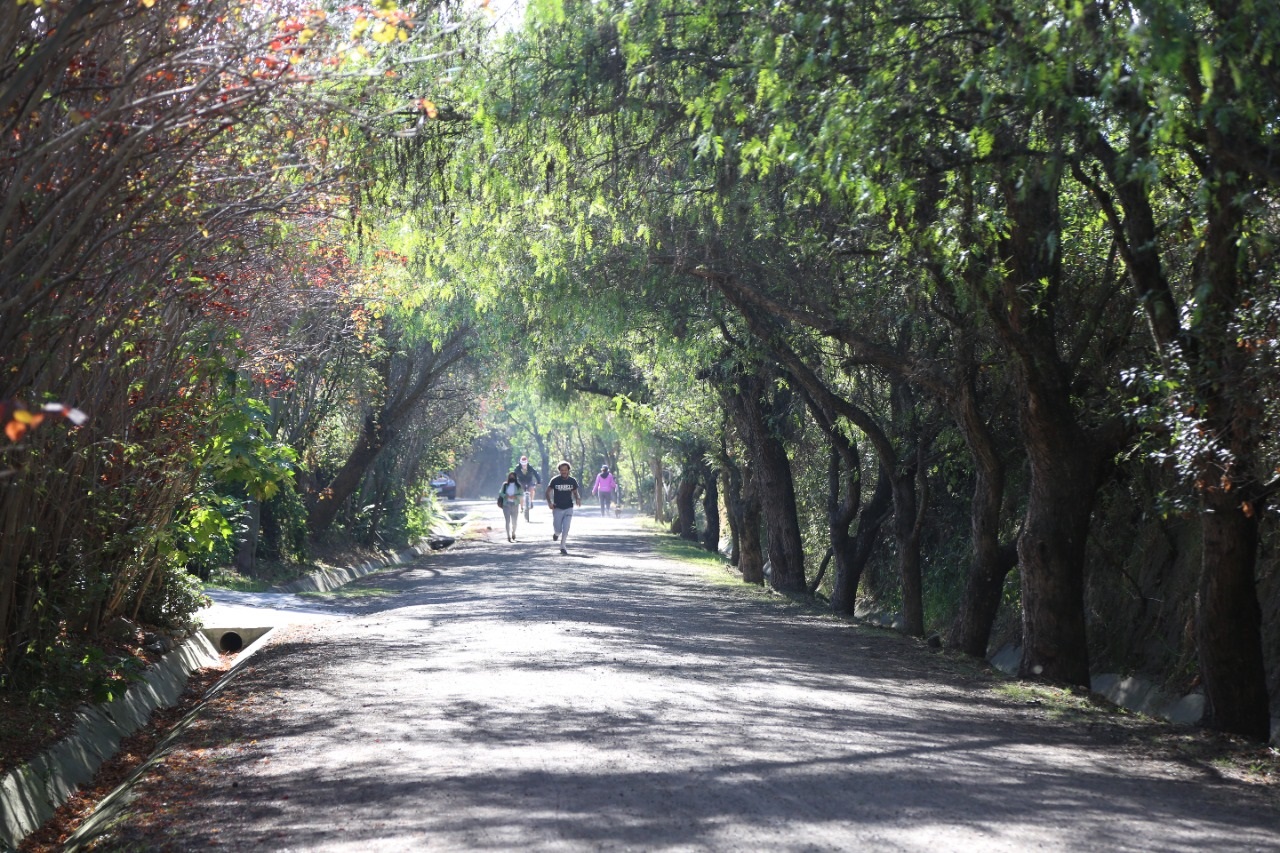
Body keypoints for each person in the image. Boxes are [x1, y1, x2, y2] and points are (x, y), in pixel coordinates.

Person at [545, 460, 581, 555]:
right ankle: (556, 534)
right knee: (558, 529)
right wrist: (549, 503)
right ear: (559, 471)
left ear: (568, 470)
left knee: (566, 528)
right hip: (557, 508)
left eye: (565, 470)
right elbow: (547, 492)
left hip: (568, 507)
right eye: (562, 470)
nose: (563, 472)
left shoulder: (572, 481)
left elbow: (575, 492)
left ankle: (563, 546)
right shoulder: (555, 480)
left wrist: (578, 499)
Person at [514, 454, 541, 521]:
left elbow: (536, 474)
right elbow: (513, 475)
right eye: (522, 464)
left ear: (527, 462)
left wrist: (539, 481)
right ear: (520, 463)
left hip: (529, 481)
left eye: (525, 464)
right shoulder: (517, 468)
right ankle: (522, 507)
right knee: (520, 493)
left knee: (532, 489)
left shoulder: (530, 467)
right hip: (521, 481)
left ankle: (531, 502)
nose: (524, 465)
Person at [499, 470, 522, 542]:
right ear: (508, 477)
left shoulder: (518, 486)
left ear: (515, 477)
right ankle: (508, 536)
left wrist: (515, 496)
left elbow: (521, 495)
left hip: (515, 505)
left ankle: (513, 532)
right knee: (507, 521)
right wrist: (505, 495)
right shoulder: (505, 485)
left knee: (514, 521)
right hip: (506, 504)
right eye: (510, 476)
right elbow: (500, 493)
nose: (512, 478)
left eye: (513, 477)